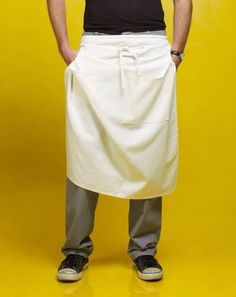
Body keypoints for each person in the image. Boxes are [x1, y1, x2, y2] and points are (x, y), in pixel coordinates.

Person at [46, 0, 192, 282]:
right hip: (97, 47)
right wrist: (63, 45)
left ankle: (144, 248)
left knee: (149, 149)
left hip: (150, 46)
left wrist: (176, 52)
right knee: (84, 147)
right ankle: (76, 249)